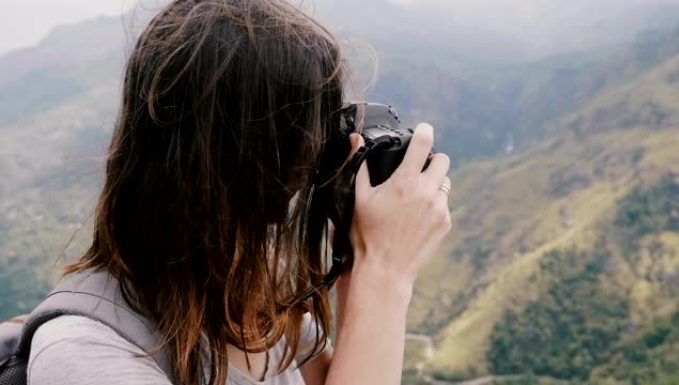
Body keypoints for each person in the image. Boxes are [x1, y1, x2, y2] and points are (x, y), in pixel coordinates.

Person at [27, 1, 452, 384]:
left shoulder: (252, 295)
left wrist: (357, 262)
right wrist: (385, 275)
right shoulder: (85, 357)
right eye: (312, 137)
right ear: (250, 167)